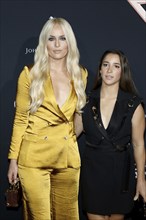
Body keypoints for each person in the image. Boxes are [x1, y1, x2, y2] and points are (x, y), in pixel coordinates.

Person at [7, 17, 88, 220]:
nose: (58, 44)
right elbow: (20, 120)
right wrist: (13, 160)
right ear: (45, 43)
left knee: (68, 216)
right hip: (34, 157)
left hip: (67, 158)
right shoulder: (30, 75)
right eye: (52, 39)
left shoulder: (80, 75)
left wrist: (69, 137)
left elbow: (78, 117)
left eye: (63, 38)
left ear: (70, 42)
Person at [80, 49, 146, 220]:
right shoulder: (85, 101)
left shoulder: (133, 104)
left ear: (122, 71)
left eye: (116, 66)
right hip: (92, 171)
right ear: (100, 69)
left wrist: (141, 181)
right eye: (106, 65)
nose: (109, 70)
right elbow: (71, 132)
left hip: (120, 173)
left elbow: (139, 144)